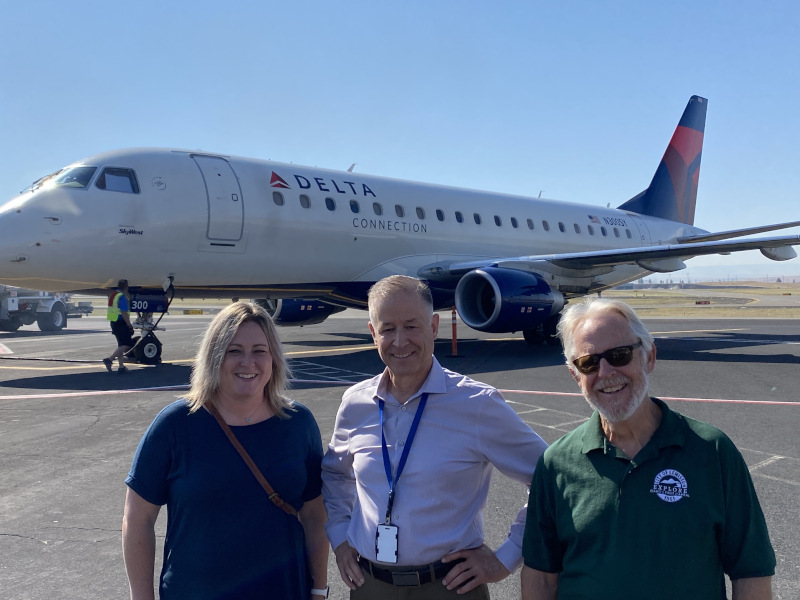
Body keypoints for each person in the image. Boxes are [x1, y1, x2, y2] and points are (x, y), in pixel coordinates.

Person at [520, 297, 776, 600]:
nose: (605, 372)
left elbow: (751, 571)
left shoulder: (712, 451)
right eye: (589, 363)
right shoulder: (556, 463)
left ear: (649, 356)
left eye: (619, 355)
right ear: (576, 376)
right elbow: (540, 577)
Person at [322, 275, 548, 599]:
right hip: (370, 586)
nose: (400, 341)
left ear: (434, 326)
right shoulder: (356, 404)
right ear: (374, 334)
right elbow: (334, 474)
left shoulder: (477, 404)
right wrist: (341, 538)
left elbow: (548, 476)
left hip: (448, 587)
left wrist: (506, 558)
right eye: (387, 329)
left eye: (412, 326)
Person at [122, 302, 329, 600]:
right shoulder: (176, 425)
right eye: (234, 351)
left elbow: (314, 515)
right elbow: (137, 520)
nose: (248, 362)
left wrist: (319, 589)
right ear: (214, 357)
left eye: (260, 350)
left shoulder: (298, 424)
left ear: (274, 359)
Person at [103, 279, 134, 373]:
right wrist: (129, 325)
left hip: (113, 322)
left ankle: (121, 367)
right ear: (126, 287)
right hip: (121, 322)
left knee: (120, 345)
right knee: (127, 344)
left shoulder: (113, 295)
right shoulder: (121, 297)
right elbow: (124, 312)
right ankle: (109, 360)